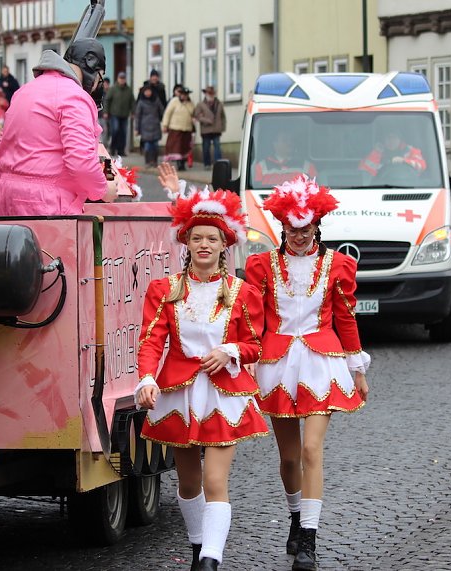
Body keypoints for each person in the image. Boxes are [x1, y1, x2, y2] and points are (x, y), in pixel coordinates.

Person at [135, 169, 268, 570]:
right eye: (197, 238)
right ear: (187, 243)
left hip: (223, 395)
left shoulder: (241, 293)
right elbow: (151, 340)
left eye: (212, 238)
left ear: (225, 244)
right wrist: (145, 377)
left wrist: (229, 350)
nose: (204, 244)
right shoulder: (167, 290)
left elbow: (256, 345)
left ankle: (210, 559)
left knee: (214, 483)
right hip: (178, 393)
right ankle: (197, 548)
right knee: (188, 483)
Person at [245, 175, 369, 571]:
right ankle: (296, 517)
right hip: (277, 364)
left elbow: (346, 320)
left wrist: (357, 369)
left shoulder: (338, 266)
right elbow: (251, 322)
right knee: (289, 458)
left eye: (306, 228)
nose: (299, 236)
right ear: (282, 226)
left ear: (317, 225)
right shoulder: (262, 266)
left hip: (322, 364)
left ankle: (309, 541)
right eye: (292, 229)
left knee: (312, 450)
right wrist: (243, 360)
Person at [0, 39, 118, 216]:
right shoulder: (74, 96)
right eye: (99, 77)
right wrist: (104, 189)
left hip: (6, 197)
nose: (97, 85)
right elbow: (81, 161)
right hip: (47, 204)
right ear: (93, 70)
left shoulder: (23, 91)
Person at [253, 130, 318, 187]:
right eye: (285, 140)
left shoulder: (308, 166)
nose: (289, 143)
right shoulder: (261, 166)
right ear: (274, 144)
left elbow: (316, 189)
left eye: (291, 140)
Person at [358, 130, 426, 177]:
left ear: (400, 139)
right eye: (388, 137)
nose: (391, 141)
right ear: (383, 140)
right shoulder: (378, 152)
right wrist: (376, 153)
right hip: (382, 186)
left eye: (394, 137)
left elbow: (422, 166)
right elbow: (364, 170)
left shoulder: (411, 151)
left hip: (409, 185)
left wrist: (404, 161)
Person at [162, 86, 196, 171]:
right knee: (177, 148)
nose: (184, 96)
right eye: (183, 94)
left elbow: (194, 113)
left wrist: (194, 119)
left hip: (187, 128)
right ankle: (179, 164)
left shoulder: (190, 104)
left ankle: (183, 163)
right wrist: (165, 125)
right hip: (175, 128)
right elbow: (167, 113)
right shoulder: (174, 101)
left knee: (184, 148)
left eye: (186, 95)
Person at [194, 86, 226, 171]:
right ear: (206, 94)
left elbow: (223, 116)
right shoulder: (200, 104)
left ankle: (218, 164)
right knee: (206, 147)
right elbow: (196, 116)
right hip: (206, 130)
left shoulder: (219, 103)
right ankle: (207, 164)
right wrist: (206, 120)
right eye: (209, 93)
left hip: (216, 129)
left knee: (217, 147)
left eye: (212, 93)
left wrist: (222, 127)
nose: (211, 95)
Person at [104, 71, 135, 156]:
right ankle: (113, 149)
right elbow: (107, 100)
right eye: (120, 78)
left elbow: (132, 102)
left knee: (123, 133)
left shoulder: (128, 90)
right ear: (117, 79)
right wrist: (106, 112)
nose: (122, 80)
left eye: (123, 78)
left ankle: (121, 150)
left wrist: (133, 112)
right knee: (115, 130)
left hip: (125, 115)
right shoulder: (113, 89)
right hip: (114, 114)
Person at [134, 85, 163, 167]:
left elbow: (161, 111)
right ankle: (148, 161)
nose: (147, 93)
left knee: (155, 146)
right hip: (145, 127)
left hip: (155, 126)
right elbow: (138, 116)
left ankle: (154, 161)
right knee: (147, 147)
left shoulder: (156, 100)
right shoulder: (141, 102)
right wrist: (137, 129)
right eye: (146, 91)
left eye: (149, 91)